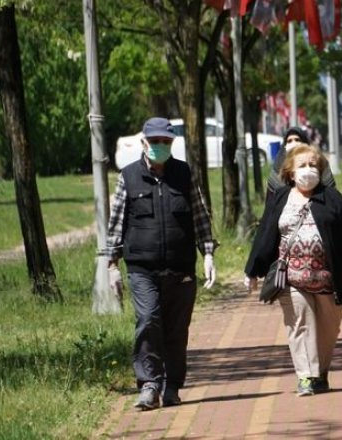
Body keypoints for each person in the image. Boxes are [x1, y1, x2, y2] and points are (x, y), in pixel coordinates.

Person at [105, 117, 218, 410]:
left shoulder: (183, 174)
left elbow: (199, 215)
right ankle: (149, 385)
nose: (160, 147)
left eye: (165, 142)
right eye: (154, 142)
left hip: (180, 268)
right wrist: (112, 265)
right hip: (143, 267)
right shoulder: (128, 177)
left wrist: (208, 253)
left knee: (176, 331)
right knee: (148, 321)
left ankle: (172, 386)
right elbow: (117, 221)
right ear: (144, 143)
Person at [244, 143, 342, 396]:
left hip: (328, 279)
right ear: (290, 172)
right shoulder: (280, 198)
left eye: (313, 165)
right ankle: (306, 376)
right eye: (302, 166)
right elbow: (266, 234)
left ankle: (320, 371)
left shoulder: (332, 198)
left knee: (328, 329)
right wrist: (252, 270)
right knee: (299, 324)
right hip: (292, 278)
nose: (308, 170)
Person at [267, 126, 335, 200]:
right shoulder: (279, 164)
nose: (294, 143)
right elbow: (272, 194)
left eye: (297, 139)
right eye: (289, 141)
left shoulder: (317, 160)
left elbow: (330, 190)